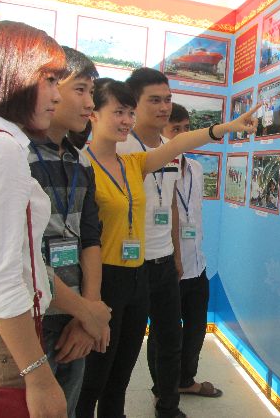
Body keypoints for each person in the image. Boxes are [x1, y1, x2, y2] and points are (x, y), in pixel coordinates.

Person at [76, 78, 258, 418]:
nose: (126, 120)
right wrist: (89, 299)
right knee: (94, 375)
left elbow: (180, 143)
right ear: (93, 114)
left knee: (121, 374)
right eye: (118, 112)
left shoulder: (133, 163)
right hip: (104, 278)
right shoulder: (81, 166)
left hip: (136, 277)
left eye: (129, 113)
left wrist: (225, 128)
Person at [0, 20, 108, 418]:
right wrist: (38, 376)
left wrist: (87, 308)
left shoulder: (2, 141)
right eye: (50, 80)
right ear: (14, 73)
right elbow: (4, 275)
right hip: (7, 338)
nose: (56, 95)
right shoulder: (3, 147)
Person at [26, 46, 111, 418]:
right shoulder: (17, 154)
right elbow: (22, 255)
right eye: (80, 90)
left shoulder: (79, 161)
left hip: (75, 314)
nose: (89, 103)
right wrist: (88, 312)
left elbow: (90, 238)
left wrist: (87, 311)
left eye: (91, 92)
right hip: (31, 315)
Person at [116, 68, 182, 418]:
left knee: (170, 340)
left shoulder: (173, 149)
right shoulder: (120, 147)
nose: (164, 107)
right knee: (122, 349)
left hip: (165, 261)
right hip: (130, 265)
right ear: (134, 104)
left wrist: (177, 255)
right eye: (154, 100)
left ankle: (168, 405)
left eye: (167, 99)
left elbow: (170, 205)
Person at [161, 103, 223, 400]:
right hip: (167, 268)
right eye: (176, 129)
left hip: (197, 266)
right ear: (162, 131)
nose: (184, 135)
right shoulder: (154, 168)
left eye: (187, 128)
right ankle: (162, 389)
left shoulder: (196, 169)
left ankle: (186, 380)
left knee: (197, 329)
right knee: (165, 334)